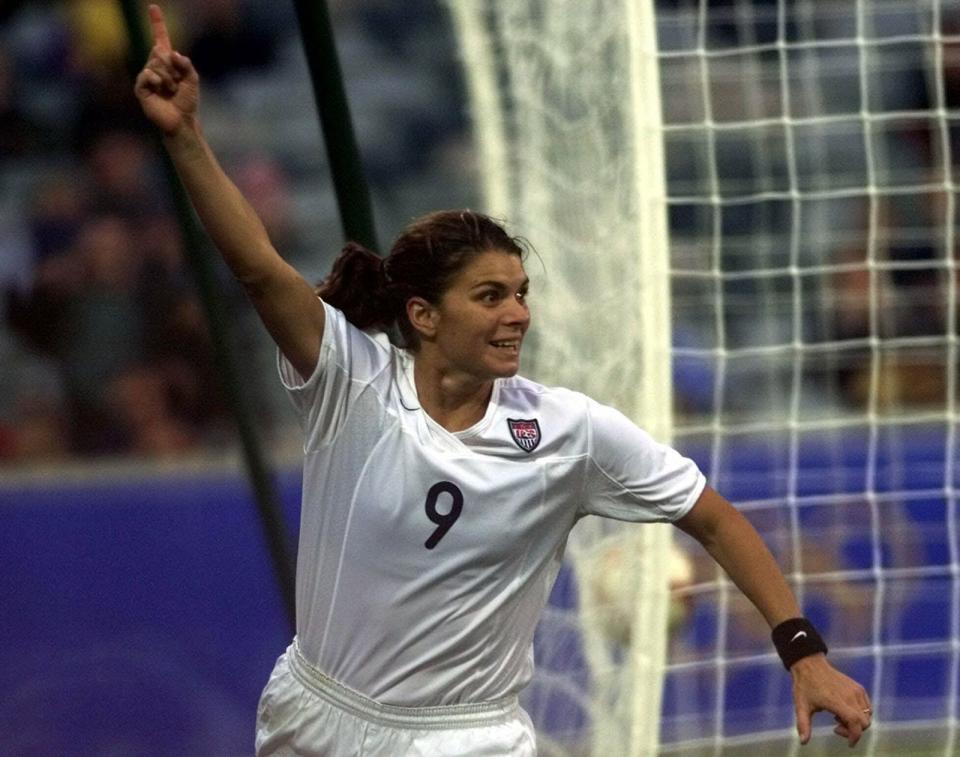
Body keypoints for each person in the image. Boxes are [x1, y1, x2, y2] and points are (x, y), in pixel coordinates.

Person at [135, 5, 873, 754]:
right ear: (423, 315)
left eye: (521, 293)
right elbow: (260, 271)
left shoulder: (568, 431)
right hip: (319, 718)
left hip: (468, 736)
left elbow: (714, 516)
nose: (519, 313)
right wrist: (186, 138)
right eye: (491, 296)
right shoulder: (350, 382)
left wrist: (804, 651)